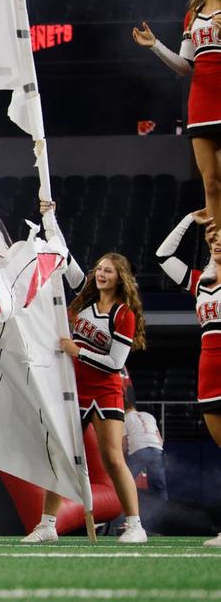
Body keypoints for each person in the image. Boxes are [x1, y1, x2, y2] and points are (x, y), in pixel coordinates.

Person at [22, 253, 148, 544]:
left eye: (109, 271)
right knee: (59, 455)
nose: (102, 274)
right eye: (99, 269)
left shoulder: (123, 314)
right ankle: (48, 525)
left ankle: (134, 525)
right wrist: (49, 215)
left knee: (113, 459)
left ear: (121, 278)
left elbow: (115, 364)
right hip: (74, 391)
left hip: (105, 392)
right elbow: (65, 258)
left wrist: (77, 351)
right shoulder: (84, 301)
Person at [132, 0, 221, 221]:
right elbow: (185, 66)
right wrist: (155, 45)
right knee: (210, 184)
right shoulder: (192, 16)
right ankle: (217, 256)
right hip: (201, 103)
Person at [157, 209, 221, 546]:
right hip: (209, 366)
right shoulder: (201, 281)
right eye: (214, 239)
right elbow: (163, 255)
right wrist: (187, 220)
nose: (218, 242)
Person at [122, 389, 167, 501]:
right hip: (157, 449)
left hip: (139, 450)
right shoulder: (149, 415)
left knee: (125, 481)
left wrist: (121, 459)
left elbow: (124, 443)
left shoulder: (124, 419)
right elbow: (159, 439)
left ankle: (124, 511)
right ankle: (164, 511)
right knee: (159, 485)